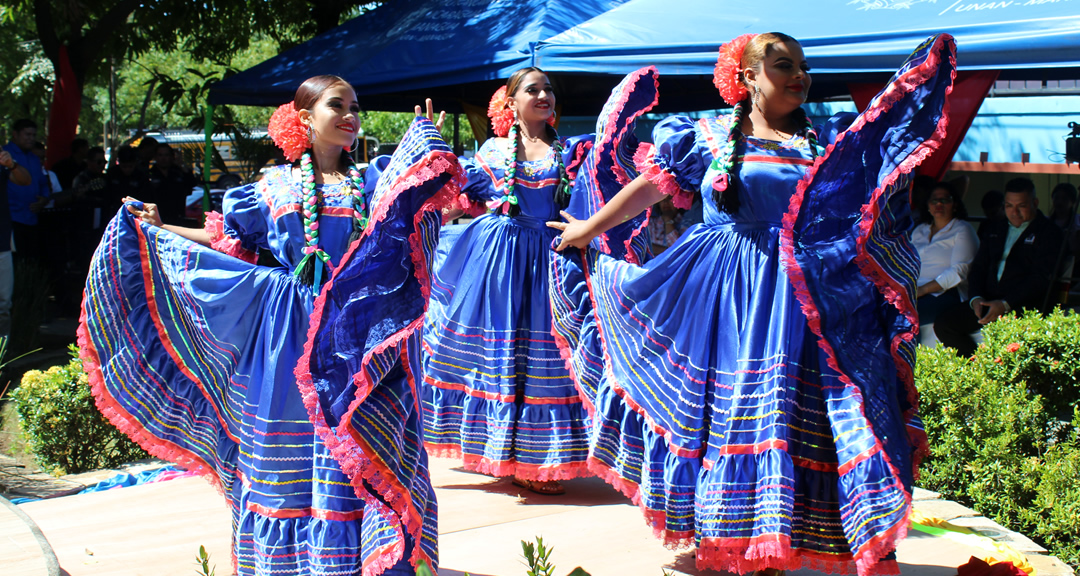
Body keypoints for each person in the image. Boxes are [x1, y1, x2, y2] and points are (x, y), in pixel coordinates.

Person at [548, 32, 956, 575]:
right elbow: (649, 188)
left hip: (798, 296)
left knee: (785, 418)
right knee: (719, 415)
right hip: (718, 294)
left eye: (803, 67)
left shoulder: (824, 140)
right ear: (747, 78)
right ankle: (718, 536)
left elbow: (872, 190)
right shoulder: (708, 136)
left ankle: (774, 541)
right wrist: (589, 229)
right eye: (783, 65)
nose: (798, 75)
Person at [79, 75, 461, 575]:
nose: (350, 115)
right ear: (304, 117)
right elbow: (225, 239)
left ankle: (363, 558)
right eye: (336, 105)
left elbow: (413, 208)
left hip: (353, 332)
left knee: (356, 440)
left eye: (355, 106)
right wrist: (158, 226)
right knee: (294, 443)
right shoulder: (271, 186)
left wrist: (422, 145)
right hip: (289, 335)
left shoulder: (372, 181)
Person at [420, 67, 595, 495]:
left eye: (549, 89)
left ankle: (536, 457)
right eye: (532, 89)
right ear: (511, 104)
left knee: (547, 354)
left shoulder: (571, 151)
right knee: (501, 356)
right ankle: (502, 453)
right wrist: (429, 147)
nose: (543, 95)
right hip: (500, 263)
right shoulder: (492, 152)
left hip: (552, 258)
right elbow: (454, 196)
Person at [934, 178, 1064, 357]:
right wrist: (976, 298)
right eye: (1009, 205)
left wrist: (1005, 304)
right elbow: (978, 267)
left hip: (1023, 305)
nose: (1014, 212)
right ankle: (977, 370)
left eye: (1021, 206)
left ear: (1035, 203)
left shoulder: (1050, 232)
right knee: (944, 324)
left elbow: (1040, 278)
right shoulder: (995, 227)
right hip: (987, 301)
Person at [911, 181, 978, 345]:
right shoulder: (920, 230)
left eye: (945, 200)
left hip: (946, 293)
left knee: (907, 316)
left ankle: (910, 365)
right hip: (913, 293)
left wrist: (923, 290)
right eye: (934, 200)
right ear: (927, 205)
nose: (939, 204)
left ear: (954, 204)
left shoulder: (962, 229)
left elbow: (959, 271)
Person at [3, 119, 51, 262]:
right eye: (27, 134)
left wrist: (44, 198)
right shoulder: (5, 155)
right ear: (15, 135)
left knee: (31, 262)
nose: (31, 138)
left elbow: (43, 184)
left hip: (32, 219)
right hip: (11, 220)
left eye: (33, 135)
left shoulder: (35, 159)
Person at [0, 149, 31, 336]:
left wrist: (12, 165)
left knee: (3, 305)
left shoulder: (4, 161)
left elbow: (25, 180)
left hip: (2, 243)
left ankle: (2, 360)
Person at [146, 142, 198, 224]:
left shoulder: (179, 172)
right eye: (160, 155)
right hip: (156, 219)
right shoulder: (149, 174)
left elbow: (193, 183)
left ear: (171, 157)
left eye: (166, 155)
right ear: (155, 157)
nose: (163, 158)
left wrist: (182, 165)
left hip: (177, 218)